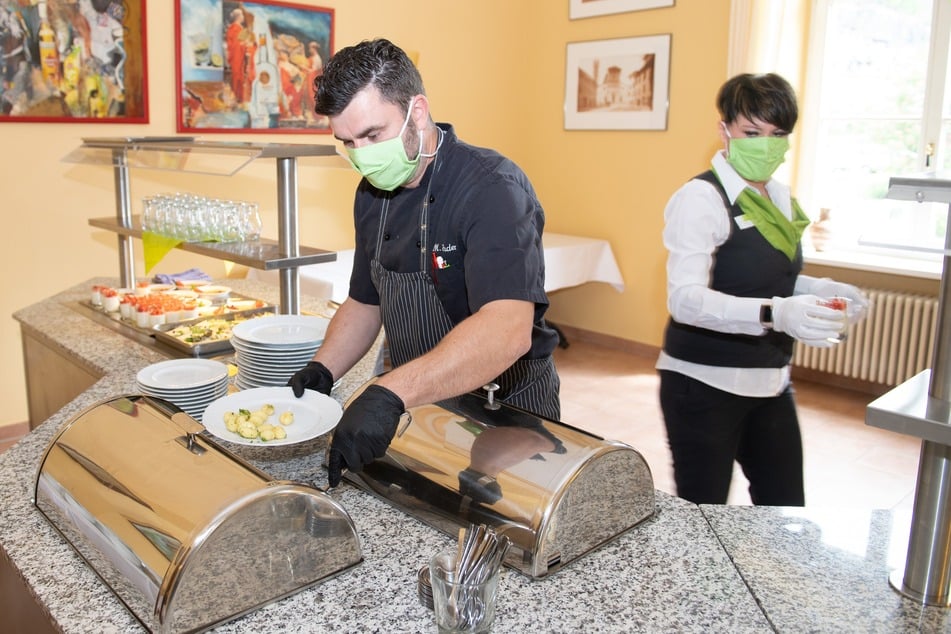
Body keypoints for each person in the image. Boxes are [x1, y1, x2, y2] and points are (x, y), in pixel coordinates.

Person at [288, 38, 561, 488]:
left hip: (502, 410)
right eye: (348, 142)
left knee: (489, 521)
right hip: (420, 399)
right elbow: (365, 300)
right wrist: (323, 369)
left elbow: (506, 329)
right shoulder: (371, 193)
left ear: (417, 111)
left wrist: (391, 392)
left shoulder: (492, 188)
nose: (362, 154)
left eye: (373, 135)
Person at [656, 72, 869, 506]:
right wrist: (776, 313)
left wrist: (822, 287)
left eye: (777, 135)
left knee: (785, 508)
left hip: (770, 381)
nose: (765, 144)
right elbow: (685, 300)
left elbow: (770, 279)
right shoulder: (701, 199)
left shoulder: (778, 197)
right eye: (752, 132)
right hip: (703, 383)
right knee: (706, 518)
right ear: (725, 130)